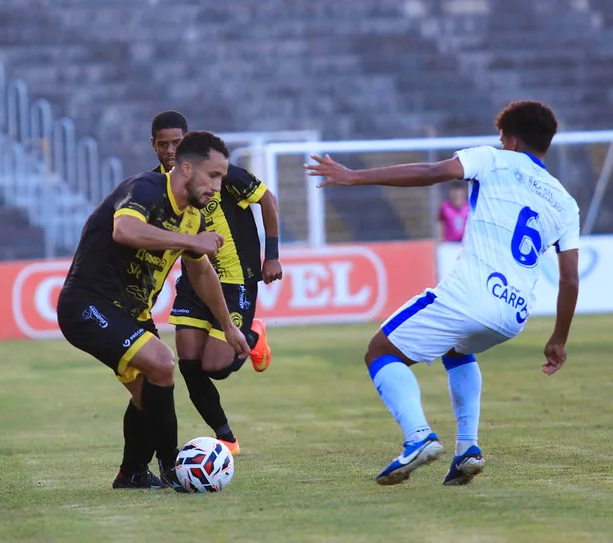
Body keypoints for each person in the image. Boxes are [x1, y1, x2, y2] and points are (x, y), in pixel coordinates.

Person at [306, 100, 580, 486]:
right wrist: (558, 339)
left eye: (502, 139)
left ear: (513, 141)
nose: (500, 144)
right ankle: (467, 447)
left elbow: (433, 172)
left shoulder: (493, 159)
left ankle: (418, 437)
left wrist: (355, 177)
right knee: (457, 349)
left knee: (380, 352)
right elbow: (570, 279)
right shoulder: (566, 203)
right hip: (514, 313)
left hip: (470, 295)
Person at [57, 130, 250, 491]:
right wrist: (191, 241)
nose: (217, 187)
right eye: (213, 176)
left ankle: (131, 473)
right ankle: (173, 466)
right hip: (87, 303)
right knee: (162, 362)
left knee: (149, 395)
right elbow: (125, 230)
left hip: (131, 313)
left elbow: (202, 272)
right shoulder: (146, 189)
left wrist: (228, 326)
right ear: (186, 168)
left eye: (221, 178)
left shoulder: (192, 216)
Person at [149, 110, 283, 455]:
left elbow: (267, 199)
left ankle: (252, 335)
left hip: (236, 279)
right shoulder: (156, 185)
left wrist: (271, 255)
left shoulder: (220, 172)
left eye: (176, 143)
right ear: (153, 146)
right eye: (163, 144)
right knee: (189, 363)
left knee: (216, 367)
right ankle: (226, 438)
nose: (170, 150)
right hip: (194, 279)